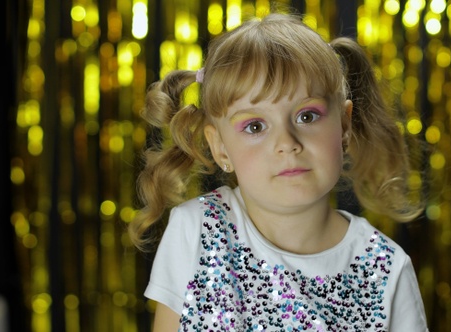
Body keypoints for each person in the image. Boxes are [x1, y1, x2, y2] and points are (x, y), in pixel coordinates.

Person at [129, 12, 428, 331]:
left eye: (307, 116)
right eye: (255, 126)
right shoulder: (199, 231)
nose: (286, 143)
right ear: (220, 148)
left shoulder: (385, 268)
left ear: (343, 125)